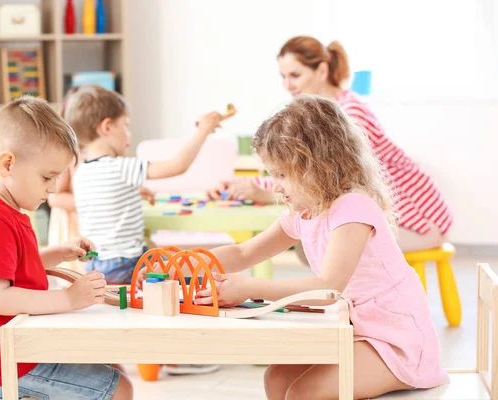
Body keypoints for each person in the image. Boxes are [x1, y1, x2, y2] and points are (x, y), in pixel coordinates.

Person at [143, 95, 449, 398]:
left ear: (317, 166)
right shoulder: (305, 212)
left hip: (395, 340)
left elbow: (328, 286)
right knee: (276, 378)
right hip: (355, 329)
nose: (275, 185)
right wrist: (182, 265)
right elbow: (242, 253)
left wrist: (249, 287)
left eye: (281, 174)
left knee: (303, 393)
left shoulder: (354, 207)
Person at [0, 96, 132, 399]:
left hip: (21, 346)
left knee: (112, 364)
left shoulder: (6, 211)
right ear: (7, 164)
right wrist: (68, 298)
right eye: (47, 177)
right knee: (120, 389)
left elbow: (11, 267)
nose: (52, 188)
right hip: (4, 362)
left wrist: (57, 252)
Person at [209, 36, 453, 254]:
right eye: (283, 77)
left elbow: (328, 179)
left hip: (419, 219)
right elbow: (302, 170)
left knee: (318, 239)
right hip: (396, 214)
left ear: (322, 70)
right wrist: (245, 185)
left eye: (295, 75)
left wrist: (262, 190)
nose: (287, 84)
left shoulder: (347, 113)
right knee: (313, 238)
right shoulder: (318, 115)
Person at [63, 85, 221, 285]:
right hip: (126, 263)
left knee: (163, 257)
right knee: (186, 273)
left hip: (96, 263)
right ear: (107, 127)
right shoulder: (120, 167)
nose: (128, 133)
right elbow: (176, 166)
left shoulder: (82, 170)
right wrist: (203, 131)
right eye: (125, 125)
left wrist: (131, 191)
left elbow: (104, 199)